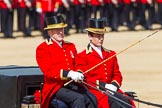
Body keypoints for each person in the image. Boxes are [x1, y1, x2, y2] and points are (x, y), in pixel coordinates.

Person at [36, 14, 97, 108]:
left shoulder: (70, 46)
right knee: (78, 98)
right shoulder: (43, 48)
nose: (61, 32)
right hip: (55, 87)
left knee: (92, 97)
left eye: (62, 29)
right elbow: (48, 71)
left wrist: (79, 72)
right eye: (57, 30)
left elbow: (78, 62)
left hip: (72, 83)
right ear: (50, 32)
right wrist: (69, 74)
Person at [75, 18, 135, 108]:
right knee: (115, 103)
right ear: (90, 37)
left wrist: (114, 86)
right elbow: (84, 79)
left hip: (113, 90)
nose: (101, 39)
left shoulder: (111, 53)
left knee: (127, 101)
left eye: (102, 35)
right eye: (98, 36)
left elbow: (117, 74)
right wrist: (104, 86)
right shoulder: (82, 56)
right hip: (96, 92)